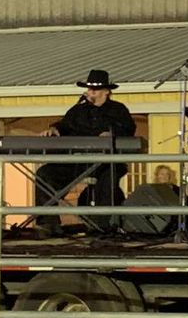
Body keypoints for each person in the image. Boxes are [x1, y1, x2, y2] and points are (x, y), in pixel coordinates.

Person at [39, 69, 137, 214]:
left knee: (107, 180)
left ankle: (105, 221)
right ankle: (47, 221)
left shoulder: (118, 110)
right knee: (45, 174)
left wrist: (112, 134)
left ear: (106, 91)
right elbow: (64, 125)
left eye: (95, 90)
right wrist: (53, 129)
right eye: (89, 89)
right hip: (77, 161)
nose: (90, 92)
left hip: (106, 162)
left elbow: (129, 130)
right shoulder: (78, 110)